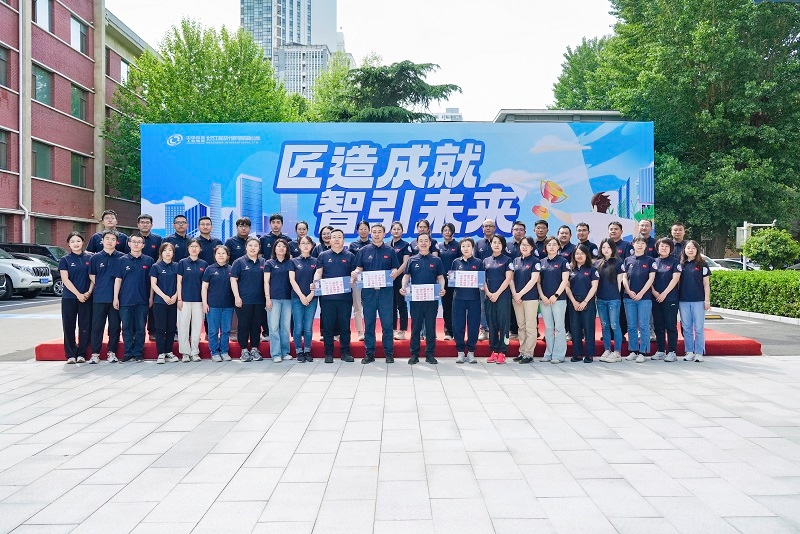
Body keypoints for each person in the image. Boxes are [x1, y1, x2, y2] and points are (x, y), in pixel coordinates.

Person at [354, 223, 401, 364]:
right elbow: (359, 268)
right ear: (370, 233)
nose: (376, 234)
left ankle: (389, 353)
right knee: (369, 323)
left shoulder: (390, 251)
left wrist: (395, 272)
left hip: (385, 292)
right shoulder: (363, 250)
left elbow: (395, 268)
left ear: (384, 234)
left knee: (387, 324)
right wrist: (355, 272)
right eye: (374, 231)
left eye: (379, 232)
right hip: (368, 293)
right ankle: (369, 353)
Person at [400, 233, 446, 365]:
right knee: (416, 327)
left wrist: (442, 288)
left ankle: (430, 354)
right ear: (417, 244)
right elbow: (406, 276)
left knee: (431, 327)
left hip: (432, 300)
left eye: (426, 241)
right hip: (416, 300)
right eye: (421, 241)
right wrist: (403, 287)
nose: (424, 243)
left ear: (430, 243)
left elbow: (441, 277)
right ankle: (414, 354)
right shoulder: (412, 260)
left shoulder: (436, 260)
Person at [315, 228, 357, 363]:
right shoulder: (323, 255)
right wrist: (315, 283)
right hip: (327, 298)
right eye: (334, 237)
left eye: (339, 237)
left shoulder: (350, 256)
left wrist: (354, 278)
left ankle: (345, 352)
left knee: (345, 326)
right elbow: (318, 272)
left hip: (345, 298)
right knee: (328, 327)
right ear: (330, 239)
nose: (337, 239)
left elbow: (354, 274)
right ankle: (328, 353)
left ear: (343, 240)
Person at [113, 234, 153, 362]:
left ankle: (138, 353)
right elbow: (118, 280)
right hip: (125, 300)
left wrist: (151, 297)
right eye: (134, 241)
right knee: (126, 328)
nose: (136, 244)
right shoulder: (121, 260)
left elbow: (152, 282)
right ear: (129, 244)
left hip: (143, 300)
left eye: (139, 242)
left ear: (143, 245)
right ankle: (128, 352)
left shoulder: (149, 261)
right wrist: (115, 297)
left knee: (140, 328)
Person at [88, 231, 125, 363]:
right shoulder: (95, 258)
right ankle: (95, 353)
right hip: (99, 297)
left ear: (117, 242)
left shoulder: (122, 258)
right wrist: (101, 285)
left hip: (116, 298)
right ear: (102, 241)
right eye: (107, 239)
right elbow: (92, 275)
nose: (110, 241)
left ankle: (111, 352)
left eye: (113, 239)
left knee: (114, 327)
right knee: (97, 326)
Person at [59, 232, 94, 364]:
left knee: (85, 326)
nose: (76, 244)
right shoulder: (65, 260)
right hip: (69, 297)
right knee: (69, 326)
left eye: (78, 241)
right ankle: (70, 354)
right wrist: (78, 294)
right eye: (72, 241)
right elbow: (65, 280)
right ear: (68, 244)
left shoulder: (90, 258)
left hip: (86, 297)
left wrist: (88, 292)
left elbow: (93, 277)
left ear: (83, 242)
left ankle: (82, 353)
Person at [230, 237, 266, 362]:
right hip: (243, 300)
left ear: (259, 248)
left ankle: (255, 349)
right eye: (250, 245)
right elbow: (233, 280)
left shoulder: (264, 262)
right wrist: (237, 297)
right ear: (246, 247)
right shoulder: (239, 262)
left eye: (255, 245)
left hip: (260, 300)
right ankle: (244, 350)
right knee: (243, 325)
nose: (253, 248)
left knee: (256, 325)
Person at [621, 236, 656, 363]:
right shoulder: (627, 260)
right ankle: (633, 350)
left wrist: (641, 293)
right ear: (633, 244)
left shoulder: (650, 260)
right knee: (631, 325)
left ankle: (643, 351)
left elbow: (651, 279)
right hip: (629, 297)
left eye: (642, 243)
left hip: (644, 298)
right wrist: (628, 290)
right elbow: (624, 277)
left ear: (646, 246)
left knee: (644, 325)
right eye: (637, 243)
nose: (640, 245)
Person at [537, 237, 569, 363]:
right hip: (544, 299)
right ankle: (549, 353)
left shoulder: (563, 262)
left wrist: (556, 295)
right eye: (549, 244)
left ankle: (559, 355)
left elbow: (565, 280)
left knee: (559, 327)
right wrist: (542, 296)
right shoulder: (541, 262)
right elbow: (538, 282)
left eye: (554, 244)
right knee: (549, 327)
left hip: (559, 299)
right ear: (545, 247)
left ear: (558, 247)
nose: (551, 247)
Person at [566, 244, 600, 363]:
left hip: (588, 301)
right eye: (577, 253)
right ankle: (577, 354)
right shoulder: (570, 270)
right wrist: (574, 301)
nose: (579, 256)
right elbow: (567, 287)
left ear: (587, 255)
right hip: (573, 301)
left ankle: (589, 354)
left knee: (588, 328)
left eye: (582, 253)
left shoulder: (592, 269)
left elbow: (594, 287)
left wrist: (585, 301)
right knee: (575, 328)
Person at [451, 238, 483, 364]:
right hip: (459, 298)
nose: (465, 248)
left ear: (473, 247)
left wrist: (481, 284)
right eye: (463, 246)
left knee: (473, 325)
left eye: (468, 246)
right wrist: (451, 278)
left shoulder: (478, 262)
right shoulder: (456, 262)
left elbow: (481, 280)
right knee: (458, 325)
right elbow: (452, 280)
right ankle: (460, 351)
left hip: (474, 298)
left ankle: (471, 352)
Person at [510, 237, 541, 364]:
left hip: (530, 298)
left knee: (530, 326)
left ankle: (529, 354)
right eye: (522, 244)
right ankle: (522, 352)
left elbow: (533, 280)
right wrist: (515, 294)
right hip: (517, 299)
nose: (524, 247)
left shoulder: (535, 261)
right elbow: (511, 279)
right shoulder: (516, 260)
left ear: (532, 247)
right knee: (521, 326)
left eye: (527, 245)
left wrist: (520, 294)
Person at [679, 240, 711, 362]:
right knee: (686, 327)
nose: (690, 250)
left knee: (698, 328)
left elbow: (706, 284)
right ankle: (689, 351)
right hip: (683, 300)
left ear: (697, 250)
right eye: (688, 248)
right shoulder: (681, 264)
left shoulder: (703, 264)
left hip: (698, 300)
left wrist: (707, 301)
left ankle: (699, 352)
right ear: (684, 250)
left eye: (693, 248)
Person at [483, 235, 513, 364]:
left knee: (503, 324)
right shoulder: (486, 261)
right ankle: (494, 351)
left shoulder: (507, 260)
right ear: (491, 244)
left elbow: (508, 279)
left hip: (503, 297)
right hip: (489, 296)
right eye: (494, 242)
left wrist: (497, 294)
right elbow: (483, 279)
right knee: (492, 324)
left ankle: (502, 352)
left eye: (499, 243)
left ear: (503, 245)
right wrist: (488, 293)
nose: (496, 245)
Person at [202, 245, 234, 362]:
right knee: (213, 330)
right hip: (213, 305)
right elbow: (204, 287)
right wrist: (204, 303)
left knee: (226, 330)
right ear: (215, 256)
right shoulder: (209, 269)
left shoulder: (232, 269)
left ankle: (224, 351)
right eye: (218, 253)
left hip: (228, 305)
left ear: (227, 256)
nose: (221, 255)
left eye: (223, 253)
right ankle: (214, 352)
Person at [651, 238, 681, 362]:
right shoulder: (653, 262)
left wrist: (664, 293)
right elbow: (649, 279)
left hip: (670, 298)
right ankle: (660, 350)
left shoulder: (675, 262)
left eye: (666, 246)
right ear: (657, 248)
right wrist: (654, 292)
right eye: (661, 246)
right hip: (656, 298)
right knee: (658, 325)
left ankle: (672, 351)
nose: (664, 248)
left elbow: (675, 279)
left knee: (670, 325)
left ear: (671, 249)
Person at [177, 239, 207, 362]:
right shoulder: (182, 263)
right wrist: (179, 298)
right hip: (184, 299)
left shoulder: (204, 264)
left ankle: (195, 351)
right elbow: (179, 281)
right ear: (188, 249)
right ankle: (185, 352)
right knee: (183, 326)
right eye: (191, 246)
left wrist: (204, 301)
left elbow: (205, 284)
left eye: (196, 246)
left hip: (198, 300)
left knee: (197, 327)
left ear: (200, 249)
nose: (194, 249)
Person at [289, 235, 318, 362]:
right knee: (298, 325)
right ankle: (298, 351)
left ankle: (307, 350)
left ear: (312, 246)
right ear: (299, 246)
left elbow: (318, 279)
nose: (305, 246)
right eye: (303, 243)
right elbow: (292, 280)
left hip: (312, 298)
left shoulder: (316, 261)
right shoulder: (293, 262)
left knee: (308, 326)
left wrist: (311, 295)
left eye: (308, 243)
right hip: (297, 297)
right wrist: (301, 296)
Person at [150, 243, 180, 364]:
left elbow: (179, 283)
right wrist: (164, 296)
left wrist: (176, 296)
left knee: (171, 328)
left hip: (173, 301)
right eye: (165, 250)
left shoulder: (177, 266)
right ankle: (161, 353)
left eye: (170, 250)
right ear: (161, 252)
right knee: (160, 328)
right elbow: (153, 284)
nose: (168, 252)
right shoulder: (156, 266)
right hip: (160, 302)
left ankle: (169, 351)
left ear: (173, 253)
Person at [596, 238, 625, 363]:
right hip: (600, 299)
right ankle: (607, 349)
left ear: (613, 248)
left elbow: (619, 283)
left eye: (608, 247)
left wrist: (616, 296)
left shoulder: (618, 263)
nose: (606, 250)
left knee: (614, 325)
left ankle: (617, 352)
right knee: (605, 325)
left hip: (613, 299)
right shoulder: (597, 264)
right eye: (603, 247)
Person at [265, 238, 293, 362]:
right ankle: (276, 354)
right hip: (274, 299)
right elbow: (266, 282)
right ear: (274, 249)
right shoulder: (269, 263)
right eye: (279, 246)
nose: (281, 248)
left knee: (285, 327)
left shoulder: (290, 263)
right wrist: (267, 298)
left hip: (288, 299)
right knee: (273, 327)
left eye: (284, 246)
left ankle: (285, 352)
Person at [224, 217, 252, 342]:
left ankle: (249, 331)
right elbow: (225, 260)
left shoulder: (253, 242)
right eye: (241, 226)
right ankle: (234, 332)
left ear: (250, 228)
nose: (243, 228)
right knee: (235, 305)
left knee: (250, 306)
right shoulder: (230, 242)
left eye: (246, 226)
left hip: (250, 279)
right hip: (234, 279)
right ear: (236, 227)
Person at [136, 214, 162, 342]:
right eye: (142, 222)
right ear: (138, 225)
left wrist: (154, 270)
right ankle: (136, 331)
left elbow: (160, 256)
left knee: (152, 304)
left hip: (153, 276)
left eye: (147, 222)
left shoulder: (157, 239)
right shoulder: (133, 239)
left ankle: (152, 331)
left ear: (152, 225)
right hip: (136, 276)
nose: (145, 224)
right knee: (137, 304)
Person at [348, 220, 372, 341]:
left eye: (365, 229)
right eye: (361, 229)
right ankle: (360, 331)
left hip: (370, 280)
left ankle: (369, 330)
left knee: (369, 307)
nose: (363, 231)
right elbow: (351, 263)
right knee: (357, 306)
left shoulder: (373, 244)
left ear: (369, 230)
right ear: (357, 231)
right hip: (357, 279)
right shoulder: (353, 245)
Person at [437, 223, 460, 341]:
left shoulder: (458, 245)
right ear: (442, 232)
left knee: (456, 307)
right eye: (445, 230)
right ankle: (448, 332)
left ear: (453, 232)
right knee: (446, 306)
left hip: (456, 281)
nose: (447, 232)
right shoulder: (438, 246)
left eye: (449, 230)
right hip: (443, 281)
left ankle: (458, 332)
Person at [390, 221, 412, 340]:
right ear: (390, 231)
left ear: (402, 231)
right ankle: (393, 329)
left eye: (398, 229)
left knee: (401, 304)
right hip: (389, 279)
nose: (396, 231)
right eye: (394, 229)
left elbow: (406, 262)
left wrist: (397, 273)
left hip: (400, 279)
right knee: (391, 305)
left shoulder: (405, 245)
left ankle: (402, 330)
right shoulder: (387, 245)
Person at [475, 219, 496, 341]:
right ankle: (484, 329)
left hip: (498, 280)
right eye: (485, 226)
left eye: (490, 226)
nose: (488, 228)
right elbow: (475, 263)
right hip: (483, 280)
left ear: (494, 228)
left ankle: (496, 330)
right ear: (482, 228)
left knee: (497, 306)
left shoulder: (498, 241)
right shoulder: (478, 244)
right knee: (483, 306)